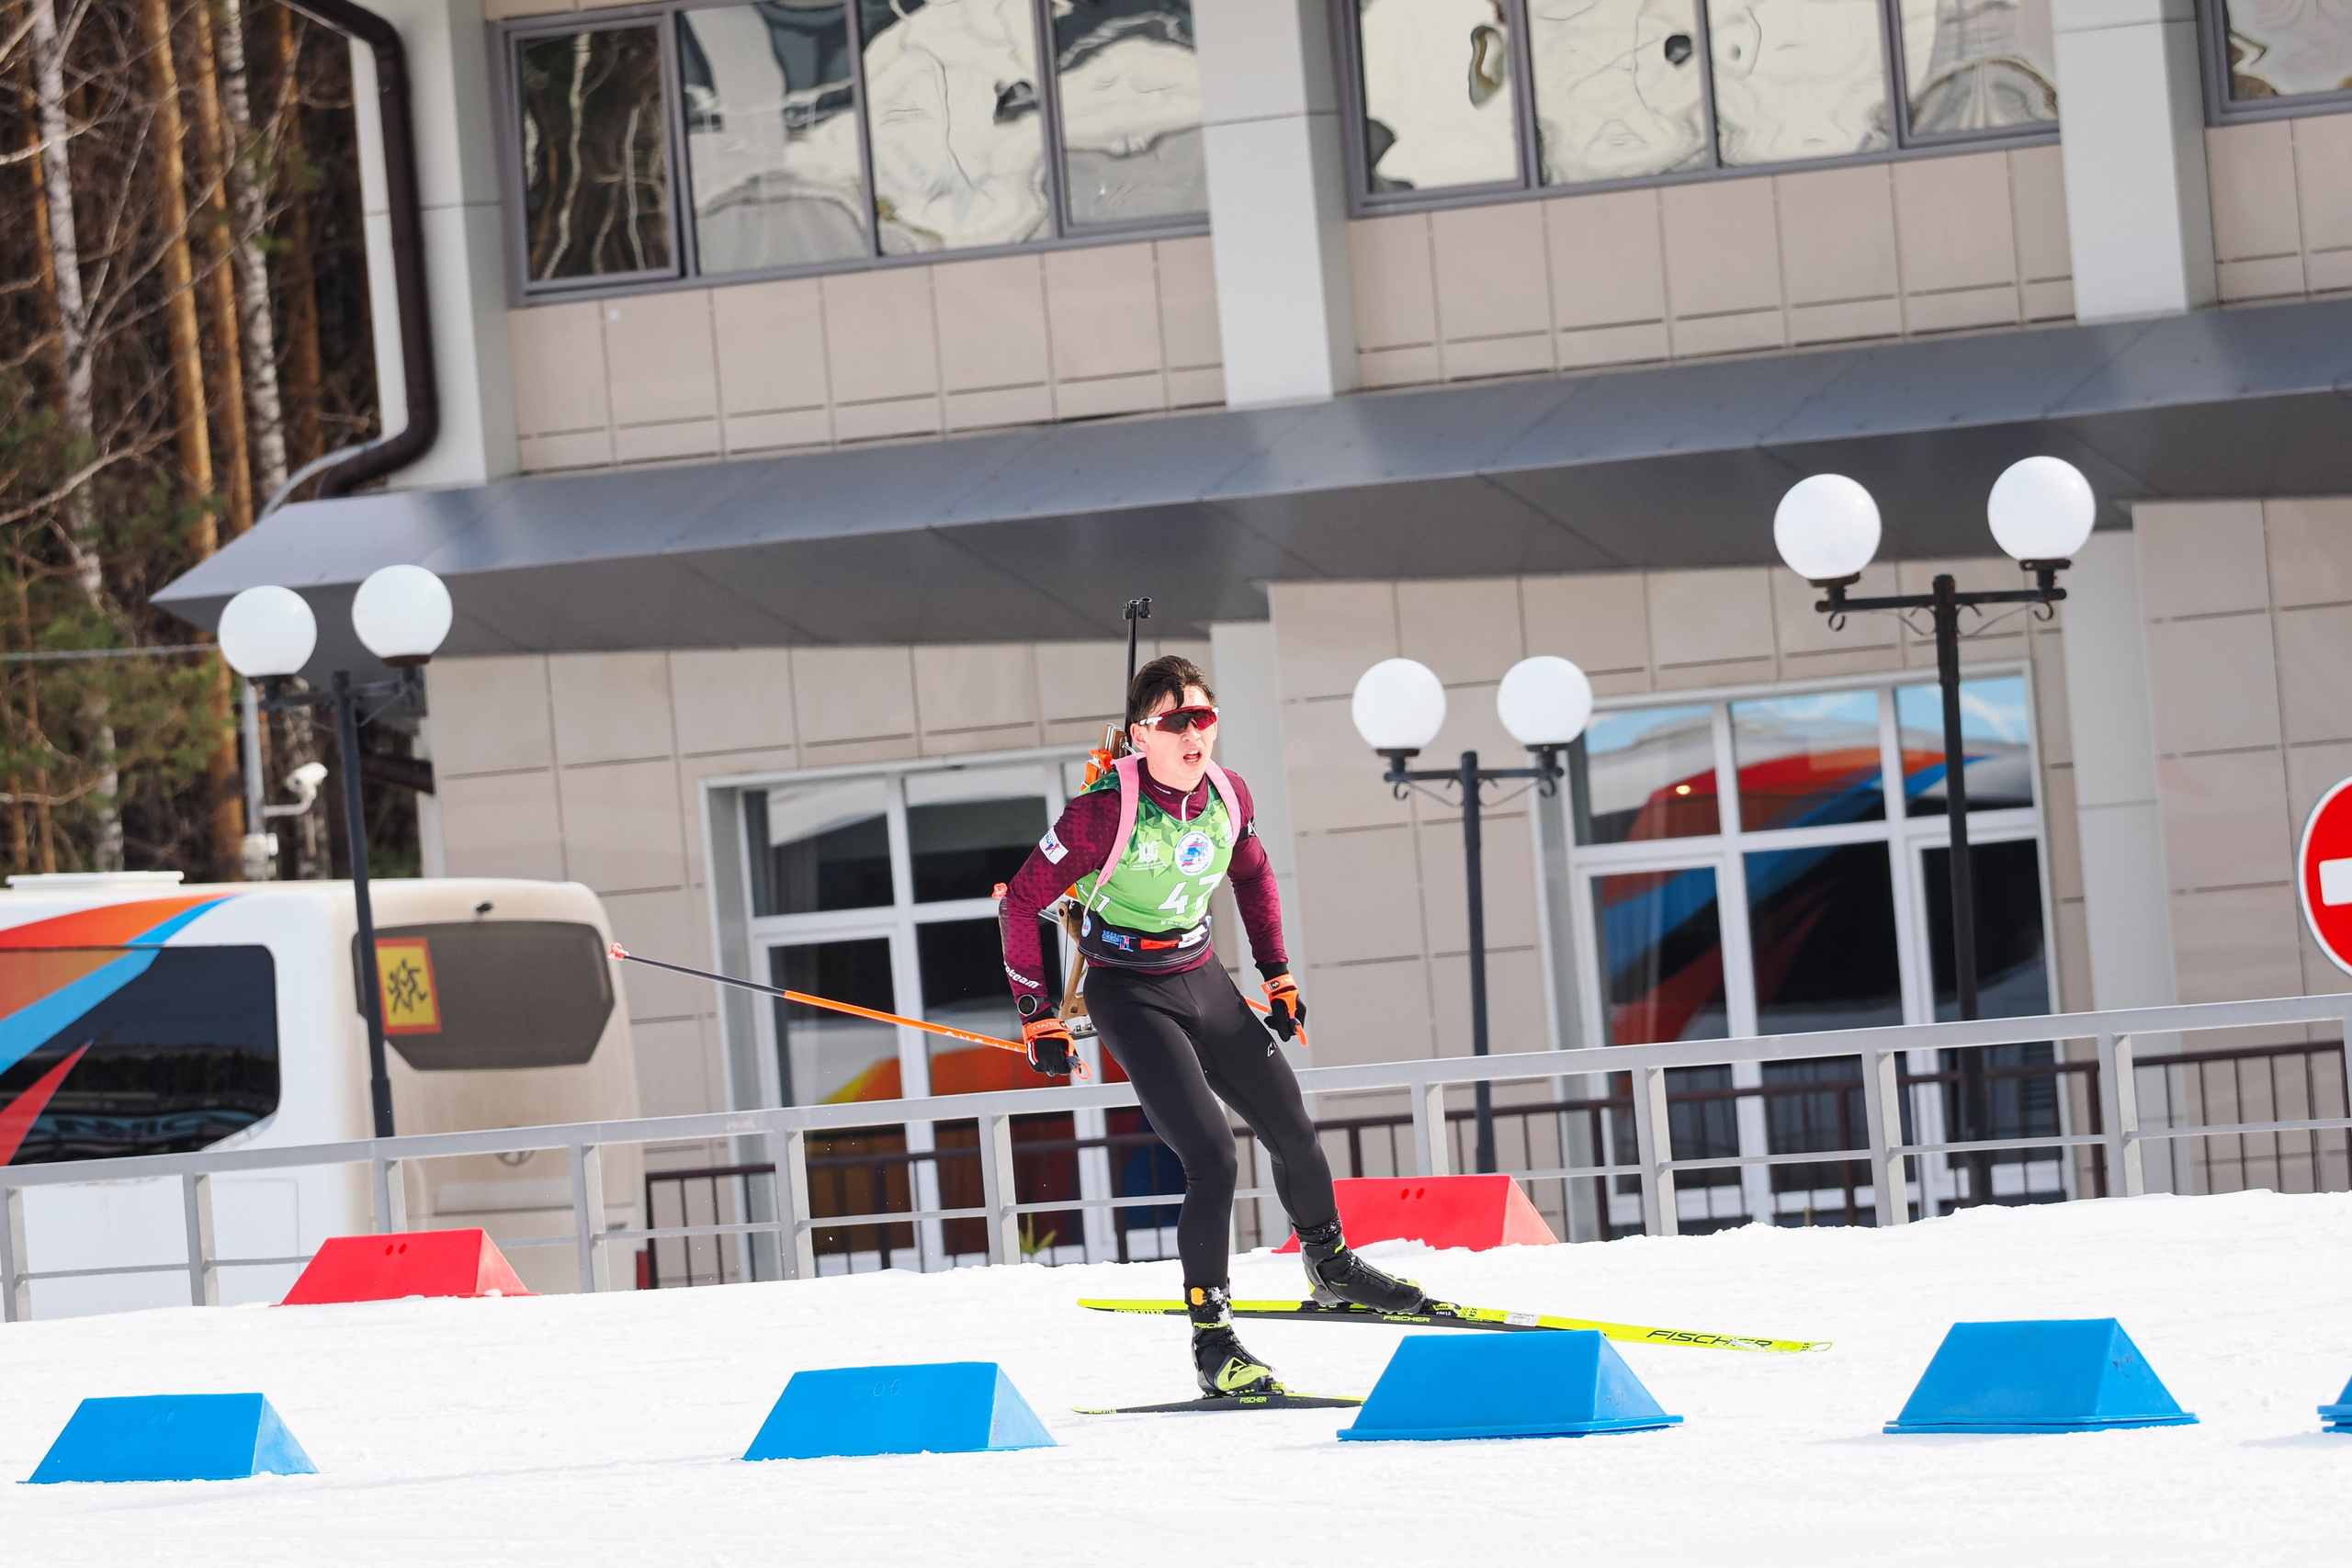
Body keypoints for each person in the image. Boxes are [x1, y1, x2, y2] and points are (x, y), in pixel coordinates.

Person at [998, 655, 1429, 1399]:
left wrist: (1278, 974)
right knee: (1211, 1155)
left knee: (1293, 1127)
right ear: (1141, 735)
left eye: (1204, 716)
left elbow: (1254, 874)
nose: (1194, 733)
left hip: (1201, 975)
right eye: (1175, 721)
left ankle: (1331, 1267)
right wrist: (1038, 1015)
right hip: (1129, 990)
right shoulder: (1102, 811)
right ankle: (1213, 1342)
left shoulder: (1228, 794)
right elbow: (1019, 903)